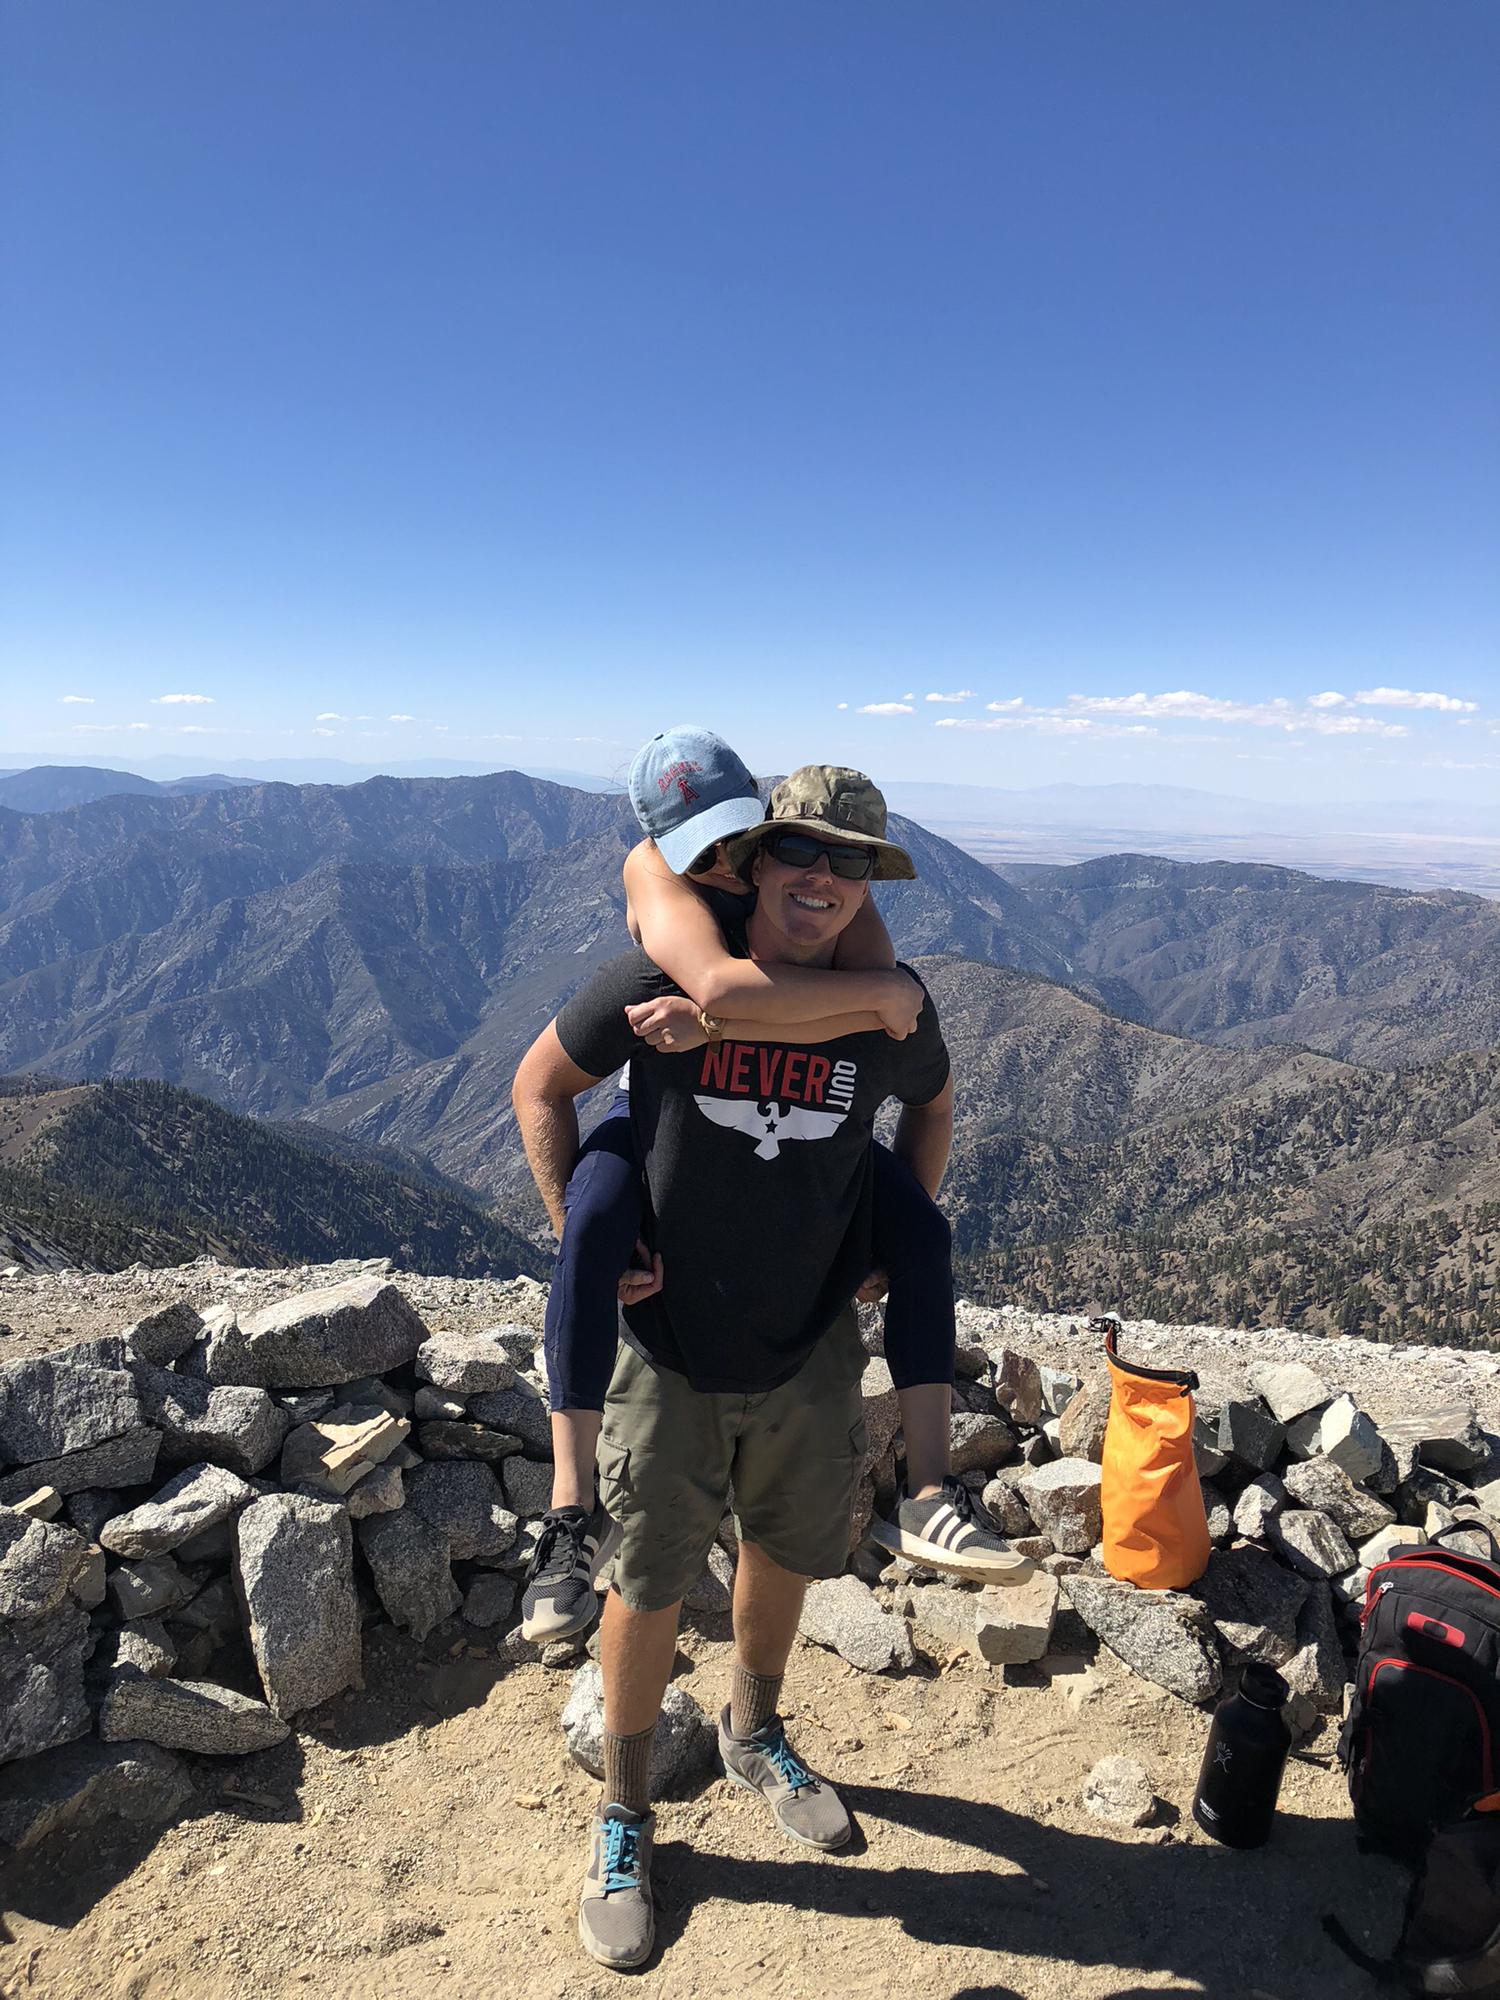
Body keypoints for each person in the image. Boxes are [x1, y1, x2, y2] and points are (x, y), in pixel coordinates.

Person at [511, 765, 1034, 1970]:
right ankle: (627, 1813)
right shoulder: (659, 979)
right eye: (801, 850)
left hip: (807, 1344)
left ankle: (753, 1727)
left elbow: (935, 1106)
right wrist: (580, 1233)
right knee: (642, 1585)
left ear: (872, 880)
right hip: (667, 1347)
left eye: (852, 862)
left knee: (785, 1551)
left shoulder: (885, 1000)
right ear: (752, 857)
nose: (824, 878)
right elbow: (542, 1085)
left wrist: (887, 1240)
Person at [518, 726, 1027, 1647]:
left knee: (921, 1235)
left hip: (802, 1254)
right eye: (790, 850)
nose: (717, 863)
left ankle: (928, 1493)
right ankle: (568, 1513)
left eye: (733, 838)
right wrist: (718, 1021)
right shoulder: (661, 909)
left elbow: (901, 1049)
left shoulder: (856, 938)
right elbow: (714, 983)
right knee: (591, 1221)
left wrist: (880, 1002)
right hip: (661, 1153)